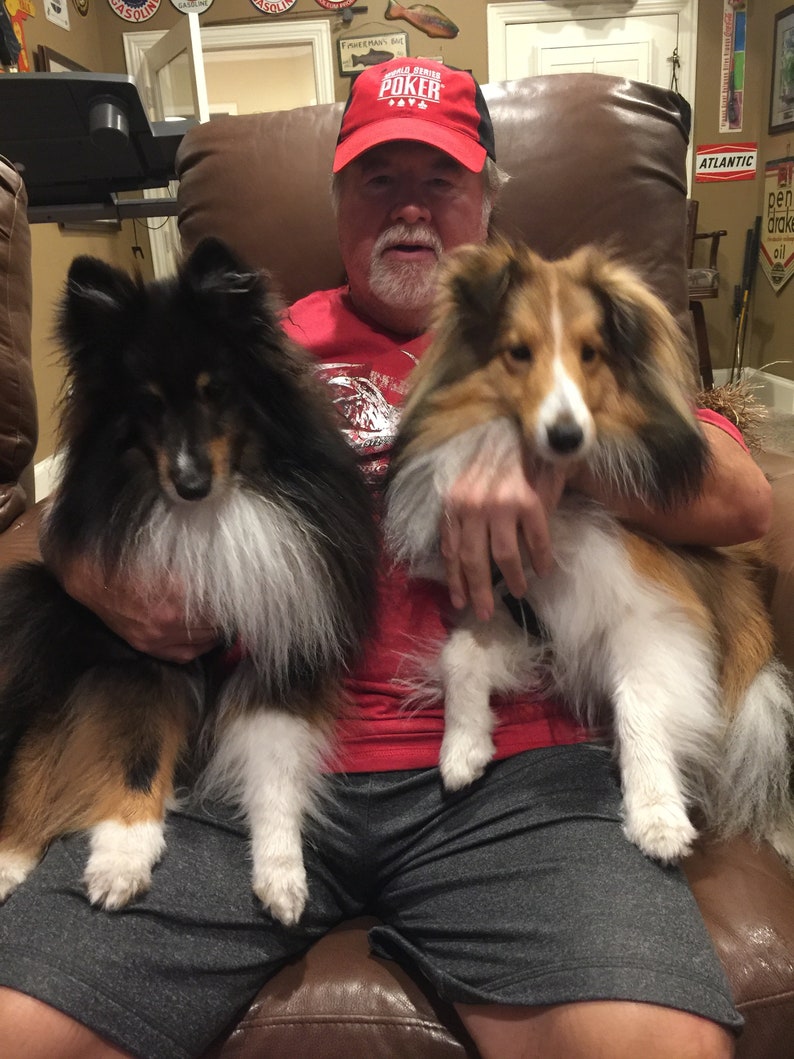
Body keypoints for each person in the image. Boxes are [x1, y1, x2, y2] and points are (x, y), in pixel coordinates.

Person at [0, 59, 770, 1059]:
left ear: (485, 196)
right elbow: (87, 493)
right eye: (377, 182)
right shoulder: (251, 335)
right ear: (335, 201)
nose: (409, 210)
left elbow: (740, 495)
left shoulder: (555, 323)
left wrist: (558, 460)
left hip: (512, 779)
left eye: (438, 182)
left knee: (652, 1044)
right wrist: (81, 567)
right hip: (242, 767)